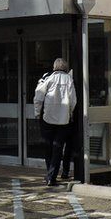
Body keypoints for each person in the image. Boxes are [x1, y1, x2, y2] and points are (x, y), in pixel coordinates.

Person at [33, 57, 77, 186]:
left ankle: (50, 174)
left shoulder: (48, 77)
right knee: (58, 148)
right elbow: (73, 100)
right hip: (64, 120)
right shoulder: (69, 79)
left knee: (48, 147)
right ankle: (52, 176)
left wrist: (37, 113)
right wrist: (70, 114)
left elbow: (38, 96)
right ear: (65, 67)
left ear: (54, 67)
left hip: (48, 118)